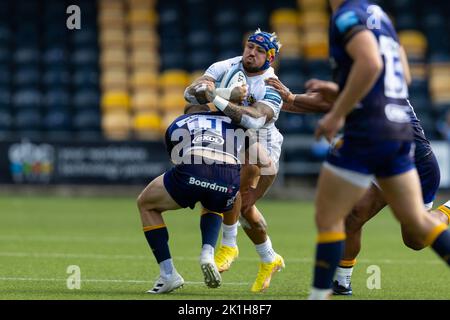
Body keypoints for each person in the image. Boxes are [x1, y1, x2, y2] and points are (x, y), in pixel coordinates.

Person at [307, 0, 450, 300]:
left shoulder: (347, 16)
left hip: (373, 130)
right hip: (395, 129)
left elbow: (371, 64)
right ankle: (340, 283)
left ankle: (318, 295)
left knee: (330, 214)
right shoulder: (379, 15)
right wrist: (347, 91)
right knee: (361, 216)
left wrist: (336, 113)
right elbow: (404, 77)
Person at [266, 72, 450, 296]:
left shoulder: (376, 83)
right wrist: (283, 101)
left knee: (414, 240)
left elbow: (329, 102)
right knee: (353, 216)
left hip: (415, 165)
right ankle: (342, 283)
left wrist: (291, 98)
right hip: (383, 159)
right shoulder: (368, 79)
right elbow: (333, 101)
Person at [184, 28, 287, 293]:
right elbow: (190, 93)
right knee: (243, 208)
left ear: (270, 57)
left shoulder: (271, 85)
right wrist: (226, 93)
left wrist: (216, 97)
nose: (252, 52)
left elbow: (253, 120)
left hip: (260, 144)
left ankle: (229, 246)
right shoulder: (225, 66)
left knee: (233, 192)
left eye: (260, 50)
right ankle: (269, 258)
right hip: (232, 137)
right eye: (250, 46)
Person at [137, 103, 247, 294]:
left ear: (188, 113)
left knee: (146, 204)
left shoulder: (180, 121)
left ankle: (168, 274)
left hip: (193, 168)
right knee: (213, 202)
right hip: (228, 178)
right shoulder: (232, 121)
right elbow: (257, 159)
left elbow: (176, 159)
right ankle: (207, 253)